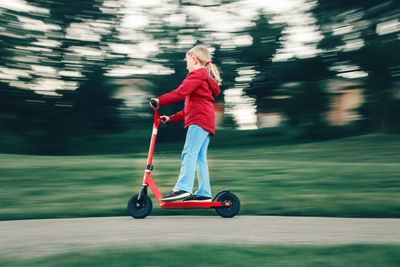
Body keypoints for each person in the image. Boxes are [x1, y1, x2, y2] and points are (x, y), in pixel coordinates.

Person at [150, 45, 221, 202]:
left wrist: (159, 101)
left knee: (188, 153)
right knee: (199, 157)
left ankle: (183, 188)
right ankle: (204, 193)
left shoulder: (197, 75)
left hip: (199, 122)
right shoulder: (204, 79)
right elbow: (188, 110)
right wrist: (172, 118)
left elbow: (179, 93)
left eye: (187, 62)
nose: (186, 65)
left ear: (195, 60)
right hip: (205, 121)